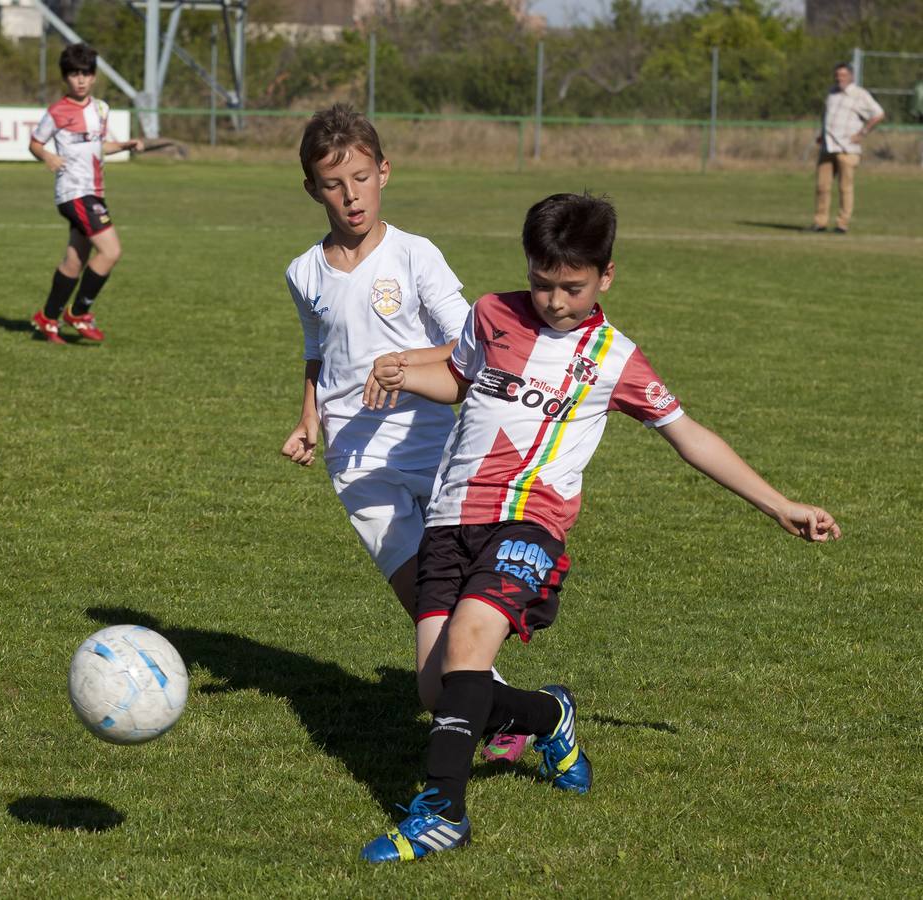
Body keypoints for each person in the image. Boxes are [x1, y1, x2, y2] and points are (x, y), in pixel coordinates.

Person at [358, 192, 841, 863]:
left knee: (470, 644)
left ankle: (441, 813)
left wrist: (779, 503)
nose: (554, 300)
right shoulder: (491, 314)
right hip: (452, 519)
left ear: (605, 275)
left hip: (532, 523)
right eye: (542, 282)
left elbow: (689, 437)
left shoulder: (615, 357)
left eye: (572, 287)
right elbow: (463, 380)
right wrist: (410, 375)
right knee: (438, 691)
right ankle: (550, 718)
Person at [281, 103, 527, 764]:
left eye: (361, 177)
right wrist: (309, 414)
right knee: (423, 594)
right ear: (312, 189)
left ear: (384, 171)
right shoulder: (304, 273)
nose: (350, 194)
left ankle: (497, 703)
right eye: (334, 183)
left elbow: (470, 344)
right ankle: (500, 710)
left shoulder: (415, 256)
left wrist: (407, 366)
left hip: (440, 450)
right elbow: (319, 350)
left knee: (453, 599)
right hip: (360, 467)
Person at [28, 42, 142, 345]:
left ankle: (48, 319)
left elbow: (99, 146)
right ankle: (79, 312)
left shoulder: (101, 109)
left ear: (94, 76)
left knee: (75, 261)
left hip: (94, 190)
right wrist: (48, 157)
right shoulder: (57, 111)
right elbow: (35, 143)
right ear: (66, 77)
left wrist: (125, 146)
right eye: (74, 74)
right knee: (111, 251)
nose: (80, 80)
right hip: (73, 192)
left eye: (86, 74)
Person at [812, 62, 885, 234]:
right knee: (822, 187)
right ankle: (820, 222)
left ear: (851, 76)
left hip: (848, 148)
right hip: (828, 147)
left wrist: (863, 132)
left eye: (843, 75)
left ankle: (842, 224)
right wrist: (822, 134)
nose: (840, 78)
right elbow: (826, 115)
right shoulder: (831, 93)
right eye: (838, 75)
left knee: (845, 187)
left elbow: (879, 114)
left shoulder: (860, 94)